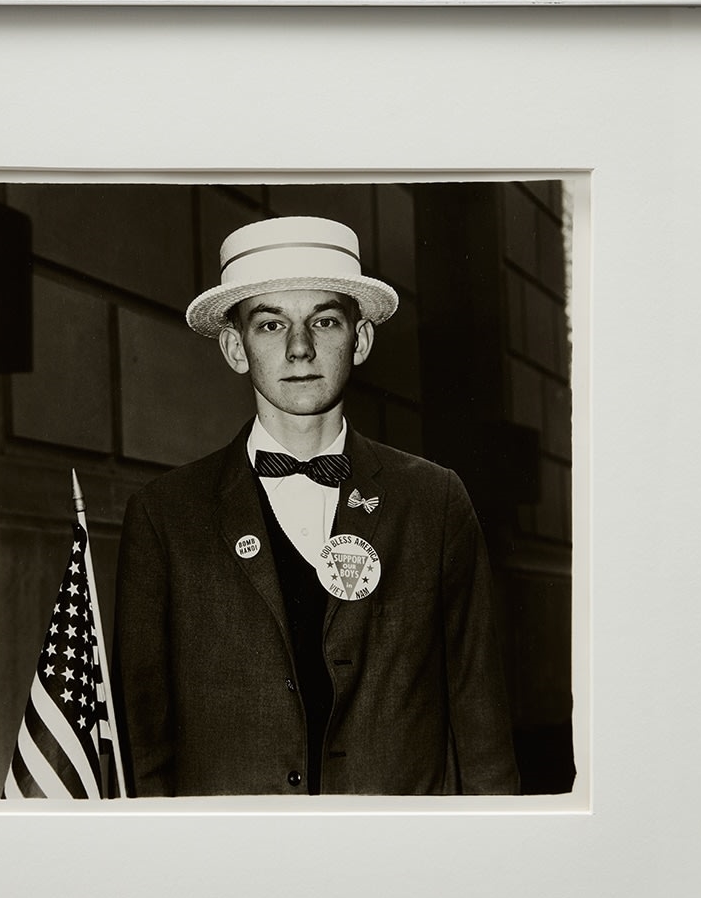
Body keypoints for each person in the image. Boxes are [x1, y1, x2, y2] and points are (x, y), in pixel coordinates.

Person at [113, 215, 518, 797]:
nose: (300, 348)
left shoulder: (433, 501)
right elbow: (142, 743)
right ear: (234, 346)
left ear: (361, 339)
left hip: (389, 852)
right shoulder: (165, 515)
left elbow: (481, 724)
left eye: (324, 321)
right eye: (270, 324)